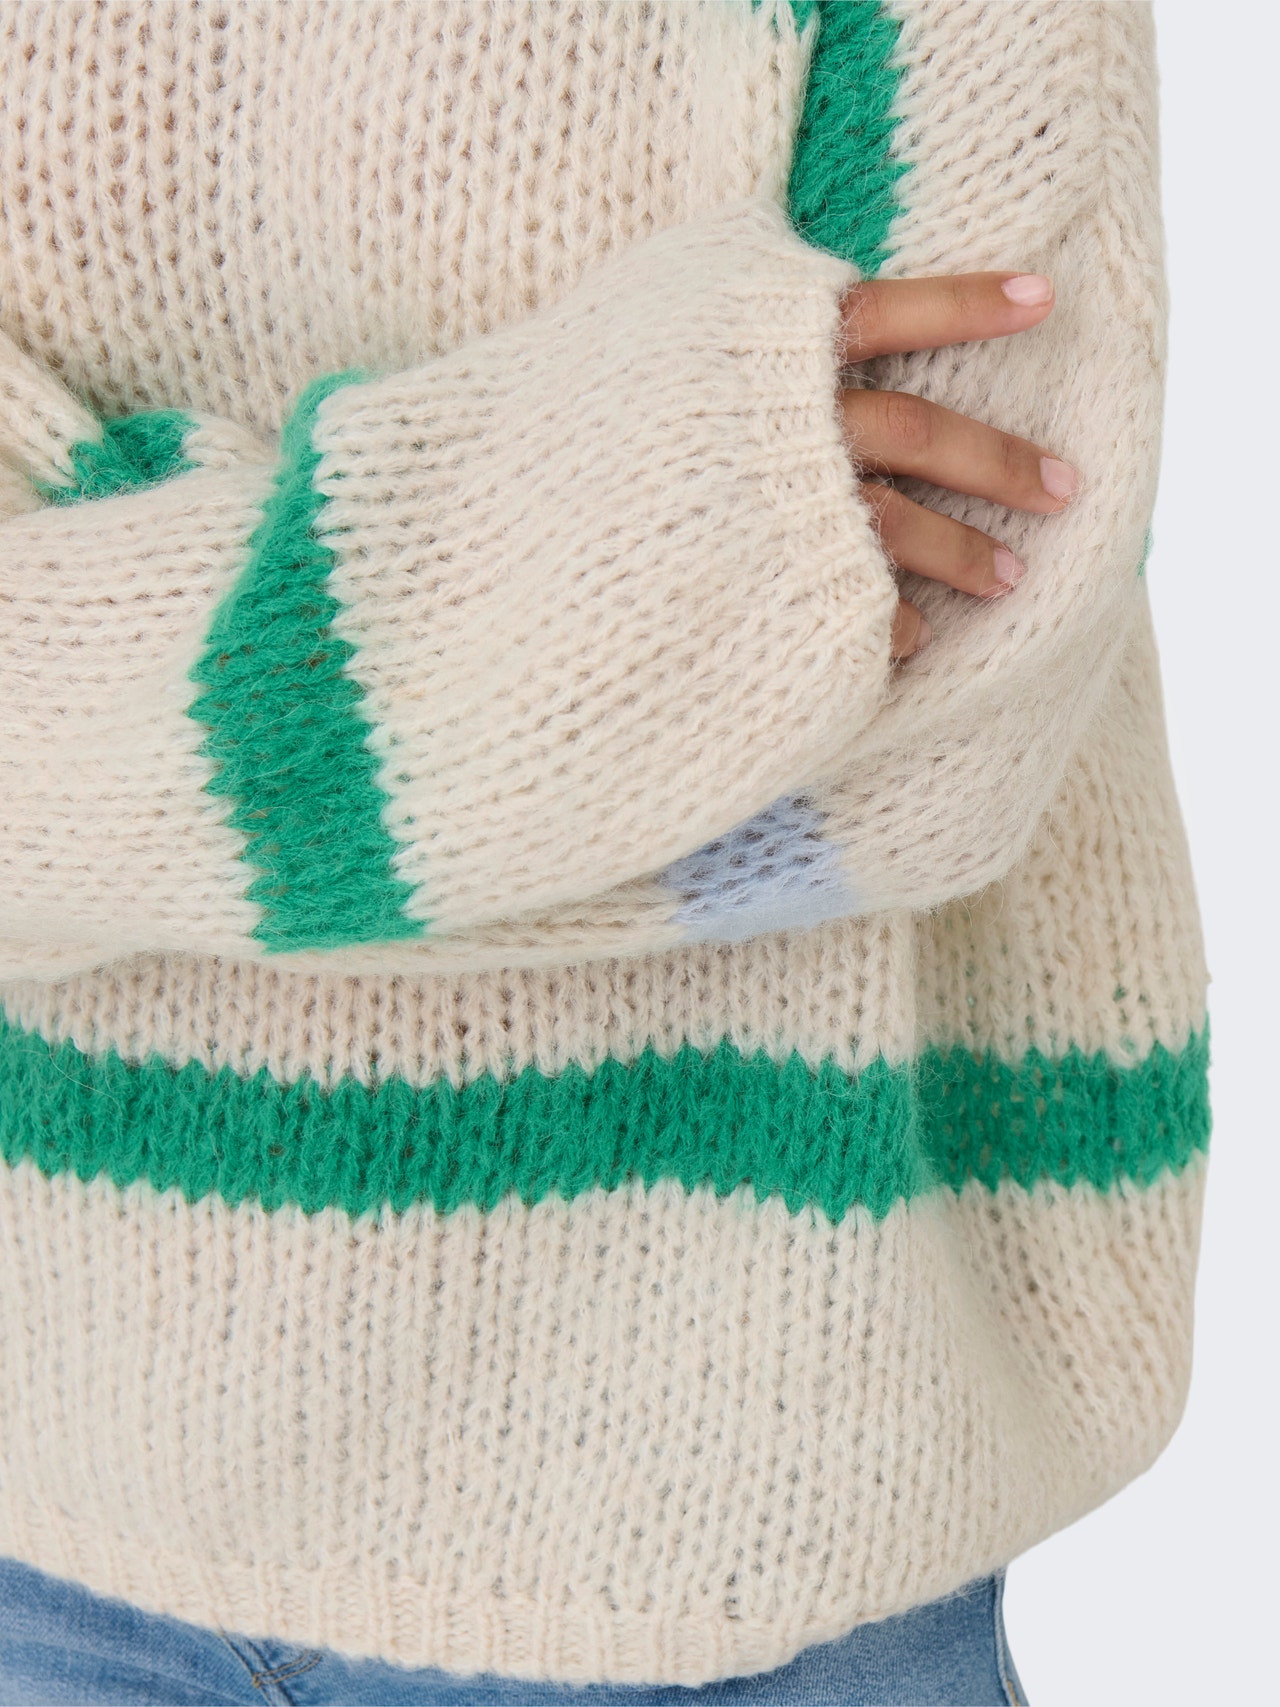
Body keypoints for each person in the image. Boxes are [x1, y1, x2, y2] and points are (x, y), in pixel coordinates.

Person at [0, 2, 1208, 1703]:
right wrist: (648, 564)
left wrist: (113, 765)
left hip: (737, 1527)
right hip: (52, 1515)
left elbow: (945, 731)